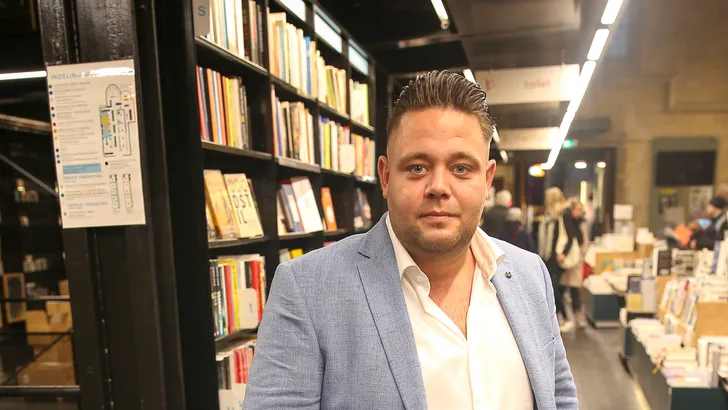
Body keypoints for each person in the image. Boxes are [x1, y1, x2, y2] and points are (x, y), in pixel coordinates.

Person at [243, 71, 577, 410]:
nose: (439, 187)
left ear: (487, 179)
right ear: (386, 177)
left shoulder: (530, 275)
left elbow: (559, 395)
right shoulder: (307, 289)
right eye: (417, 168)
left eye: (461, 168)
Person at [538, 187, 570, 330]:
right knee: (552, 288)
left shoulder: (562, 215)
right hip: (548, 257)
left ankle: (563, 317)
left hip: (557, 258)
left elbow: (570, 236)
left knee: (555, 289)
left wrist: (563, 253)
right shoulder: (549, 216)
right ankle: (557, 318)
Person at [559, 198, 587, 332]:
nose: (580, 212)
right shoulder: (568, 220)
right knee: (565, 288)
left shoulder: (579, 222)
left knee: (574, 289)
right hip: (569, 258)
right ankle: (566, 316)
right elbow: (571, 238)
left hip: (574, 258)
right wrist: (564, 254)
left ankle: (574, 316)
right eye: (578, 209)